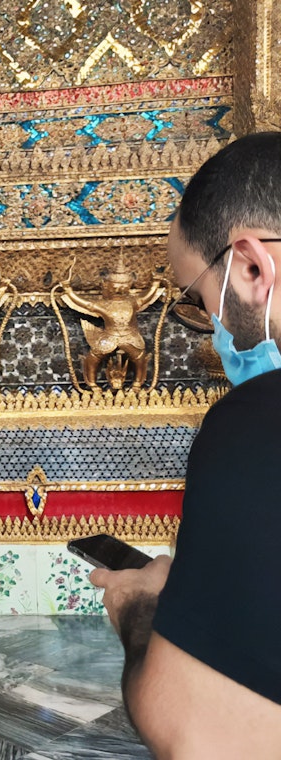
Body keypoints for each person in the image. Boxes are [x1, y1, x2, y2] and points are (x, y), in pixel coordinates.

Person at [91, 131, 281, 757]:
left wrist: (138, 607)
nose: (215, 327)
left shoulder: (256, 420)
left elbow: (198, 734)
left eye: (201, 300)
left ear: (253, 268)